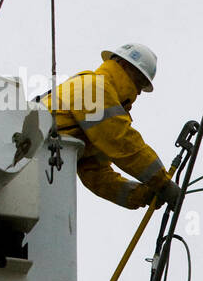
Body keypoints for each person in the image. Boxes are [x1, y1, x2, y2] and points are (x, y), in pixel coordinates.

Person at [44, 43, 183, 210]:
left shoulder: (98, 97)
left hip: (35, 164)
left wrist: (140, 195)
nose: (138, 92)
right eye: (139, 82)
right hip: (33, 157)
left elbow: (96, 173)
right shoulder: (93, 88)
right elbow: (120, 140)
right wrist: (162, 182)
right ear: (124, 65)